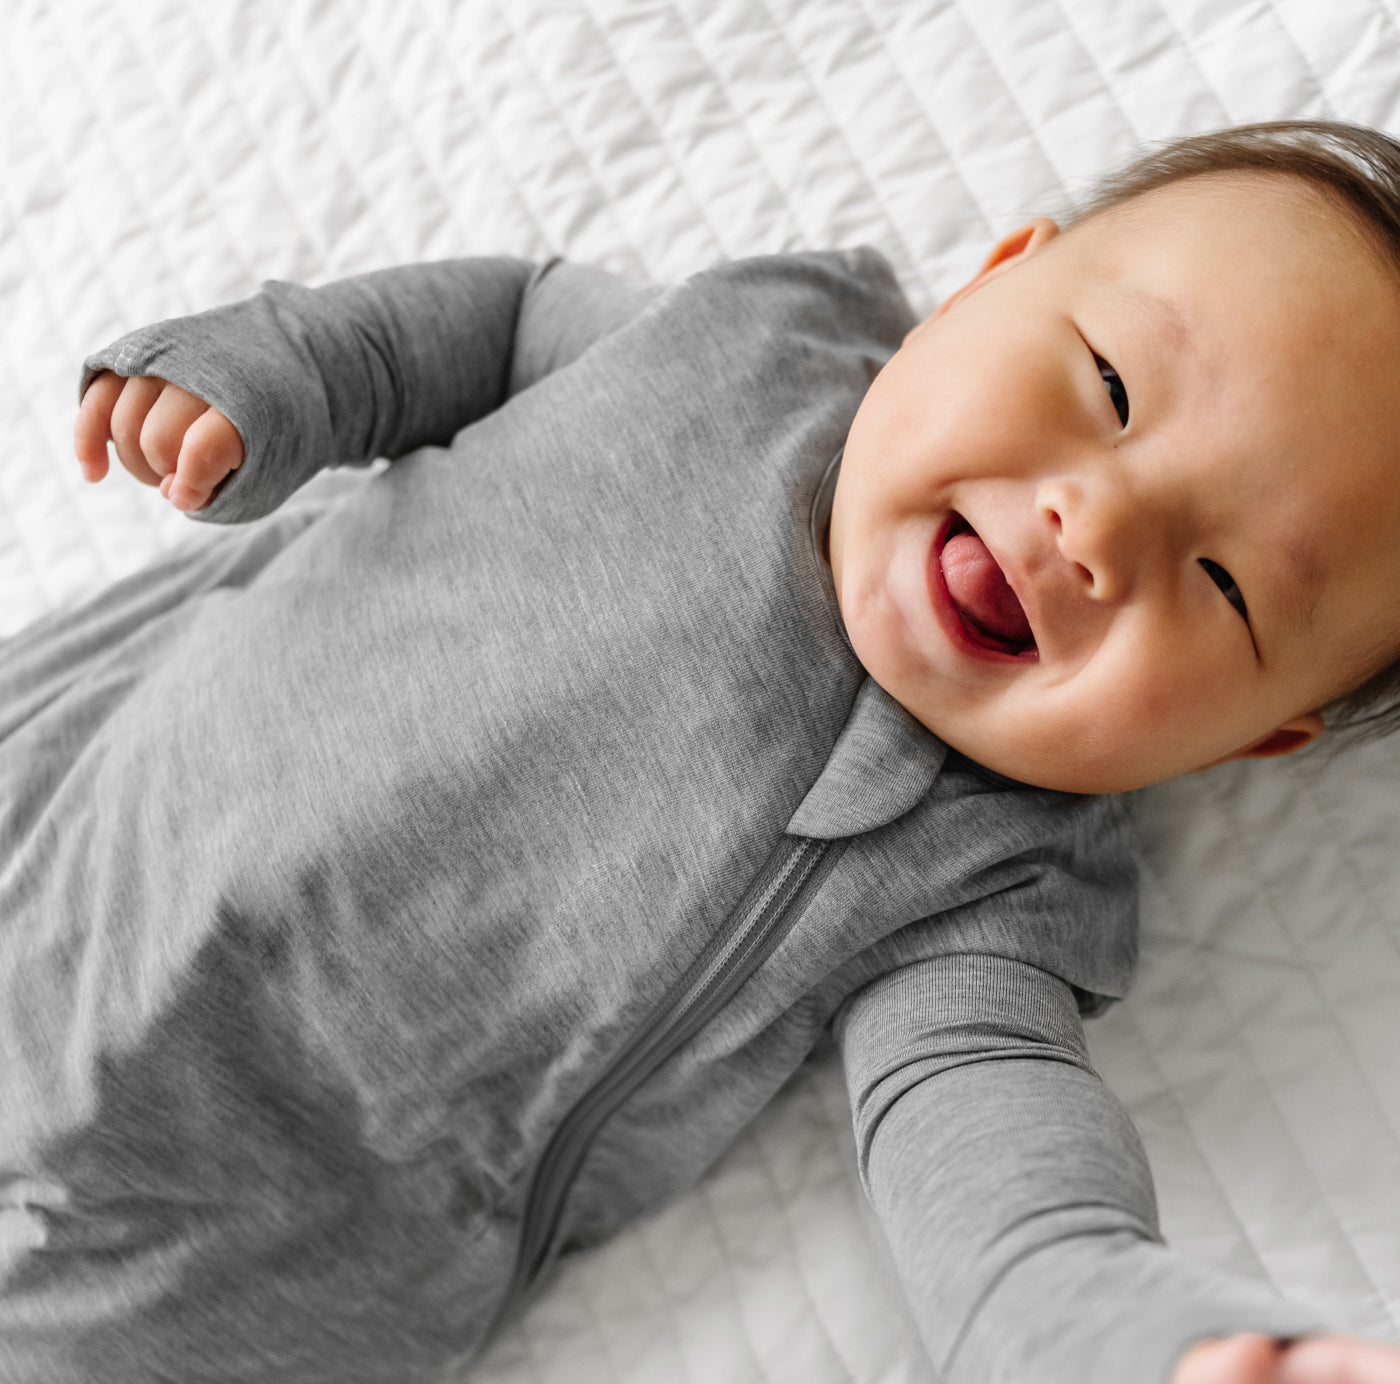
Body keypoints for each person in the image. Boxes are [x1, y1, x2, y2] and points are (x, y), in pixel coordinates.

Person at [4, 118, 1400, 1384]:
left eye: (1226, 587)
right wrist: (292, 369)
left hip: (226, 1261)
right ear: (988, 284)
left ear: (1251, 737)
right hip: (61, 820)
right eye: (1107, 383)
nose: (1093, 529)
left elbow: (1010, 1213)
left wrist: (1140, 1340)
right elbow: (505, 321)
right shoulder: (748, 351)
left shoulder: (986, 886)